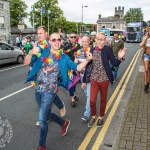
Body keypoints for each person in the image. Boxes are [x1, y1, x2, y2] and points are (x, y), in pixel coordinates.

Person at [24, 26, 92, 150]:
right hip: (38, 90)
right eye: (54, 40)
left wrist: (87, 60)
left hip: (50, 92)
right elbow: (27, 62)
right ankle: (63, 122)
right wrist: (30, 53)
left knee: (42, 118)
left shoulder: (64, 57)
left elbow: (76, 68)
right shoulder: (42, 52)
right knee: (47, 114)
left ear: (61, 41)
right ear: (50, 41)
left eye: (59, 40)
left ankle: (41, 145)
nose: (56, 42)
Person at [87, 32, 126, 128]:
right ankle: (93, 116)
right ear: (95, 40)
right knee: (92, 100)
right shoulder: (91, 49)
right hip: (94, 79)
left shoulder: (108, 49)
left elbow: (114, 63)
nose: (101, 41)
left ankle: (101, 117)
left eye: (103, 39)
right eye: (99, 39)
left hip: (104, 79)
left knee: (103, 100)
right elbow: (88, 65)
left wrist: (120, 58)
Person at [74, 35, 93, 121]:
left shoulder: (93, 51)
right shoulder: (78, 52)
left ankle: (87, 114)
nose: (85, 43)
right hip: (82, 77)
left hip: (90, 77)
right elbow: (75, 63)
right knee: (88, 94)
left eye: (86, 41)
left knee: (89, 95)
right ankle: (91, 103)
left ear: (89, 42)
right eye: (83, 41)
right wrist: (72, 71)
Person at [63, 32, 81, 107]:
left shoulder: (78, 45)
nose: (73, 38)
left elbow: (80, 55)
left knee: (75, 82)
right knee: (70, 83)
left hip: (77, 66)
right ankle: (72, 99)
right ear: (69, 38)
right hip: (69, 67)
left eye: (74, 37)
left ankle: (74, 94)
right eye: (72, 37)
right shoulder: (66, 46)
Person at [140, 26, 150, 93]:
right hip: (146, 55)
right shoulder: (145, 38)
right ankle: (145, 84)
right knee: (146, 70)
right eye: (148, 31)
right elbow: (141, 45)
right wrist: (145, 38)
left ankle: (148, 82)